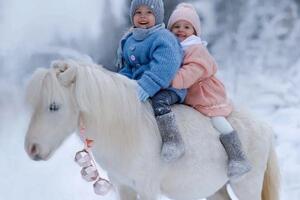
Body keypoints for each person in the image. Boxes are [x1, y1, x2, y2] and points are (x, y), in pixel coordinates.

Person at [167, 3, 251, 179]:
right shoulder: (172, 48)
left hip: (206, 95)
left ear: (195, 31)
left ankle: (238, 156)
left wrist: (167, 78)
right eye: (176, 26)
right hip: (188, 96)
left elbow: (188, 75)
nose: (181, 30)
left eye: (186, 26)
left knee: (217, 120)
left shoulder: (196, 49)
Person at [116, 0, 186, 162]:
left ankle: (173, 140)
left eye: (149, 12)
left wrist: (147, 86)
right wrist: (121, 86)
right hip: (138, 88)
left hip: (166, 87)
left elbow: (166, 65)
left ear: (158, 16)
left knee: (158, 102)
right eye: (138, 12)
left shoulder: (163, 37)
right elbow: (127, 68)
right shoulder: (129, 40)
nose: (143, 16)